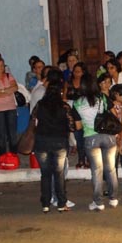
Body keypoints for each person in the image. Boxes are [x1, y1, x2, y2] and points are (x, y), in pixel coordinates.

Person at [33, 69, 80, 213]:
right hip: (59, 142)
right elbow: (72, 126)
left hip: (42, 141)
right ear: (60, 92)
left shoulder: (40, 104)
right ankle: (61, 203)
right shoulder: (64, 106)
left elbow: (33, 121)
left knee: (45, 173)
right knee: (59, 174)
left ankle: (45, 203)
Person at [74, 72, 119, 211]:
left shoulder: (77, 102)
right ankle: (113, 199)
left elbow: (78, 126)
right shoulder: (102, 98)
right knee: (111, 169)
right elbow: (114, 114)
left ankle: (98, 202)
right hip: (108, 136)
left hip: (91, 138)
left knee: (96, 171)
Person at [64, 62, 87, 167]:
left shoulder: (86, 83)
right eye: (75, 71)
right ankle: (80, 157)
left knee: (85, 134)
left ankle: (87, 157)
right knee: (76, 133)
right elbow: (64, 97)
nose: (76, 73)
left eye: (79, 71)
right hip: (71, 108)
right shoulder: (68, 83)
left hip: (84, 109)